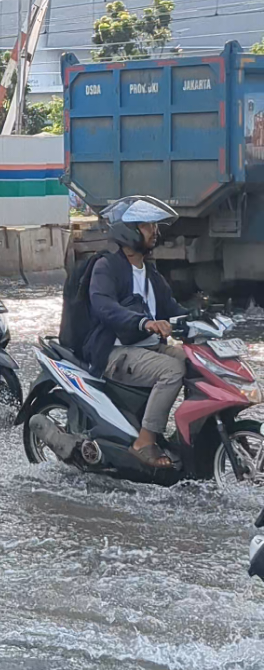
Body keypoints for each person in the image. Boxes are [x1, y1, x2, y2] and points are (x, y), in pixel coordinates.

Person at [83, 195, 184, 468]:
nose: (155, 232)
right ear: (128, 230)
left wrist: (205, 320)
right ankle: (144, 441)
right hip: (115, 352)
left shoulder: (151, 274)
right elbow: (104, 307)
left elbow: (173, 308)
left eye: (154, 226)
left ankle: (187, 434)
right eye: (148, 226)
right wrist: (144, 322)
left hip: (145, 348)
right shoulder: (107, 267)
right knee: (172, 370)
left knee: (190, 359)